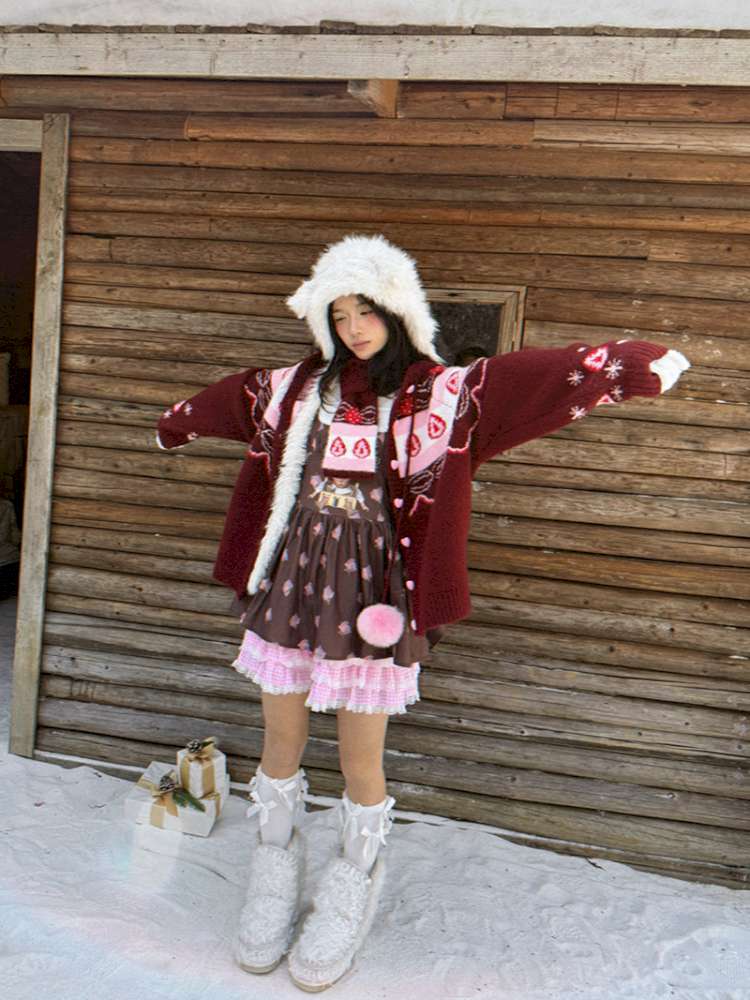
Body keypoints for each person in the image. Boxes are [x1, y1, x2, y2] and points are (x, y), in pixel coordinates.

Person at [155, 232, 690, 991]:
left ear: (398, 310)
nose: (353, 328)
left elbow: (527, 381)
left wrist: (620, 366)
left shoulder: (441, 395)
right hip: (294, 583)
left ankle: (351, 887)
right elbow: (230, 398)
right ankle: (273, 879)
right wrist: (177, 422)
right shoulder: (296, 390)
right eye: (339, 315)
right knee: (280, 739)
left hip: (373, 592)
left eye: (366, 311)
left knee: (359, 757)